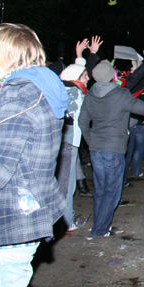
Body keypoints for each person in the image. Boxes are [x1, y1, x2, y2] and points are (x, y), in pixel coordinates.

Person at [0, 23, 68, 287]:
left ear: (6, 56)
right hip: (23, 215)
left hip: (5, 224)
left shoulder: (17, 94)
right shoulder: (39, 88)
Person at [79, 60, 144, 238]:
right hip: (113, 150)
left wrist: (91, 141)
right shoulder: (120, 94)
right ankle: (100, 229)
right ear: (111, 76)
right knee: (112, 192)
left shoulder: (90, 96)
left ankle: (100, 226)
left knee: (101, 190)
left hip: (96, 150)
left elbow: (82, 122)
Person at [58, 57, 91, 233]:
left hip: (65, 141)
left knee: (64, 182)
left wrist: (80, 57)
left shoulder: (65, 89)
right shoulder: (75, 93)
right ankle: (66, 222)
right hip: (69, 143)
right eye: (84, 76)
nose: (87, 78)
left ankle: (64, 218)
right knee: (68, 184)